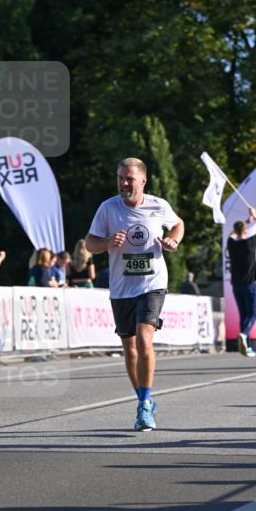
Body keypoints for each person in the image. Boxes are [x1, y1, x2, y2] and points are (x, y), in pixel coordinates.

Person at [86, 157, 184, 431]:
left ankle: (144, 405)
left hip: (152, 283)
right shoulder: (107, 208)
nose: (124, 183)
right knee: (129, 349)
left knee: (144, 339)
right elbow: (89, 243)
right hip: (121, 287)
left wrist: (173, 239)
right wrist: (106, 242)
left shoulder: (158, 205)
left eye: (129, 179)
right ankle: (144, 398)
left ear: (143, 180)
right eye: (120, 178)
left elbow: (178, 224)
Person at [227, 206, 256, 357]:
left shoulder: (231, 244)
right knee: (252, 314)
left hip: (236, 286)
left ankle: (247, 346)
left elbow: (232, 234)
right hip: (249, 285)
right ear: (245, 231)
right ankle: (243, 336)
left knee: (244, 316)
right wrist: (255, 216)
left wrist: (246, 221)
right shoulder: (250, 243)